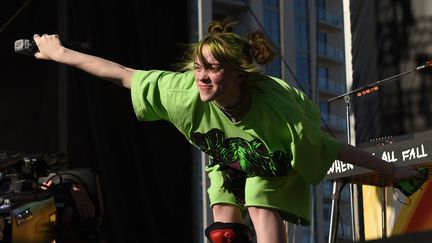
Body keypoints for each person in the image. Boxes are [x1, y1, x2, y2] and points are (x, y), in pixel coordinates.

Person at [31, 18, 422, 243]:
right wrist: (59, 53)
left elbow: (332, 147)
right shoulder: (184, 92)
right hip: (226, 156)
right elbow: (123, 74)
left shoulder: (279, 116)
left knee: (258, 201)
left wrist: (392, 172)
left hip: (273, 161)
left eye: (213, 70)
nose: (202, 77)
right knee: (223, 232)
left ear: (239, 75)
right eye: (199, 67)